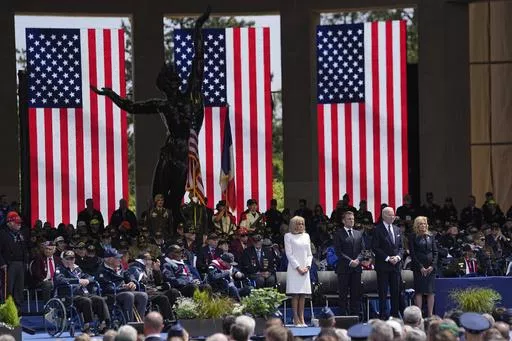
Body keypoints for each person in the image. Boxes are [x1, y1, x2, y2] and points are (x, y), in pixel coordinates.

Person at [54, 250, 110, 334]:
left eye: (72, 259)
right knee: (86, 301)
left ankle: (104, 325)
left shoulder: (77, 269)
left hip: (84, 293)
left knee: (100, 299)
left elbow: (90, 277)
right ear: (63, 259)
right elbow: (59, 279)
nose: (70, 261)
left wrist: (87, 280)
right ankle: (87, 326)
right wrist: (77, 281)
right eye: (67, 259)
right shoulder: (60, 269)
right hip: (70, 295)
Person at [96, 247, 148, 322]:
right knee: (129, 295)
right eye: (117, 258)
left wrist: (132, 283)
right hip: (111, 295)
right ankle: (129, 322)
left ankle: (139, 321)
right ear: (110, 259)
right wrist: (123, 288)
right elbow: (107, 288)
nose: (120, 260)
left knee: (143, 295)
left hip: (124, 290)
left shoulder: (120, 267)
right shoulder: (102, 271)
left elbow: (129, 276)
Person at [372, 206, 404, 320]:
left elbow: (401, 248)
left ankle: (395, 315)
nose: (393, 217)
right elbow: (375, 247)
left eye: (394, 214)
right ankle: (383, 316)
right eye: (391, 215)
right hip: (383, 266)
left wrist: (398, 258)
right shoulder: (377, 229)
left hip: (396, 266)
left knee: (396, 292)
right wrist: (387, 258)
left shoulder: (397, 229)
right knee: (383, 292)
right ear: (384, 216)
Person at [333, 211, 365, 317]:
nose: (351, 221)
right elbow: (338, 251)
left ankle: (355, 316)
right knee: (343, 294)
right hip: (344, 269)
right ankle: (343, 316)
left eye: (352, 219)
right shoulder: (338, 234)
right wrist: (350, 261)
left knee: (355, 294)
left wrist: (358, 260)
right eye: (349, 219)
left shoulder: (358, 234)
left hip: (356, 269)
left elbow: (363, 250)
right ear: (343, 221)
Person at [284, 216, 313, 327]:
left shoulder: (306, 236)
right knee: (295, 294)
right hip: (294, 269)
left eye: (302, 223)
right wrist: (298, 267)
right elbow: (289, 254)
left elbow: (310, 254)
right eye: (298, 223)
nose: (300, 225)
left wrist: (308, 266)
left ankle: (302, 318)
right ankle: (295, 318)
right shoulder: (288, 236)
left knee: (303, 295)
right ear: (293, 225)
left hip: (305, 269)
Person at [409, 216, 438, 317]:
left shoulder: (431, 236)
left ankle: (430, 315)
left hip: (430, 269)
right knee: (419, 291)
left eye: (425, 223)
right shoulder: (413, 236)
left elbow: (435, 251)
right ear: (417, 225)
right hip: (419, 268)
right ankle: (419, 315)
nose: (423, 225)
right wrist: (421, 267)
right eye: (421, 224)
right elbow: (413, 254)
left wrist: (432, 266)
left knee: (430, 292)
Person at [0, 211, 29, 309]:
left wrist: (26, 262)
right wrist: (2, 263)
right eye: (17, 223)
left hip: (20, 264)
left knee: (19, 289)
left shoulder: (20, 234)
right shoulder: (2, 233)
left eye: (20, 223)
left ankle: (18, 310)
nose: (19, 225)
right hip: (8, 264)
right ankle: (6, 310)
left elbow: (25, 249)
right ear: (10, 222)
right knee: (8, 289)